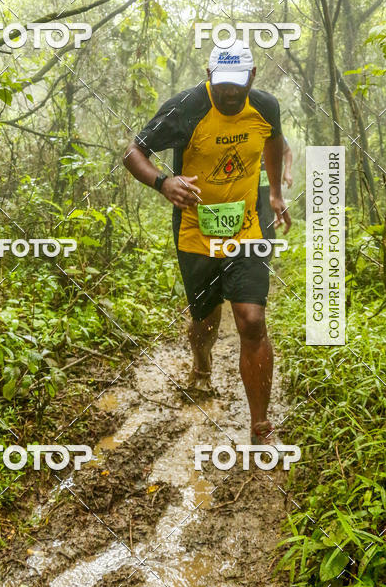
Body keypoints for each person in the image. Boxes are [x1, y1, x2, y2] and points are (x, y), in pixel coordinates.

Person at [123, 40, 292, 448]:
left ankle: (260, 429)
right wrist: (165, 183)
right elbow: (133, 152)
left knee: (251, 320)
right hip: (196, 232)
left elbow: (273, 141)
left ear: (252, 77)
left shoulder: (265, 106)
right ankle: (202, 364)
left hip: (249, 227)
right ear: (209, 75)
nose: (231, 94)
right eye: (223, 87)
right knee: (206, 319)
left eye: (239, 86)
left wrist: (274, 195)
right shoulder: (186, 108)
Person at [257, 139, 293, 240]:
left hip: (267, 188)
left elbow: (287, 151)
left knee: (267, 222)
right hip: (245, 187)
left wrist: (287, 171)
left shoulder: (269, 130)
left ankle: (266, 249)